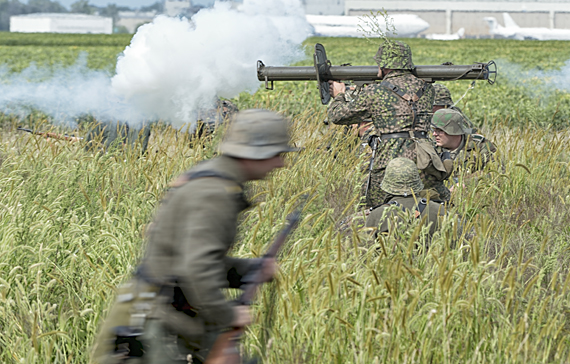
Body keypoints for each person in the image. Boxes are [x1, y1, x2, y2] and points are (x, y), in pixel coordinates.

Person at [92, 109, 299, 363]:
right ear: (256, 152)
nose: (281, 163)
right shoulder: (215, 194)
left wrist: (250, 270)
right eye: (277, 154)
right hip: (156, 324)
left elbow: (193, 260)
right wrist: (229, 316)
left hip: (165, 314)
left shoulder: (212, 178)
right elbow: (196, 269)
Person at [327, 41, 450, 208]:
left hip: (389, 158)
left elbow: (337, 116)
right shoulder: (428, 89)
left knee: (376, 207)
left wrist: (340, 94)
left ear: (383, 65)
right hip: (424, 157)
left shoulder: (375, 92)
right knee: (430, 205)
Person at [364, 157, 449, 243]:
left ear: (386, 185)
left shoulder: (377, 215)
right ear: (417, 182)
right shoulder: (440, 210)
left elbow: (368, 251)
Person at [431, 108, 497, 184]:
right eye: (434, 130)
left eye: (439, 130)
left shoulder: (480, 145)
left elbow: (496, 171)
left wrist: (465, 183)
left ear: (453, 130)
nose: (434, 134)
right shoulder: (430, 147)